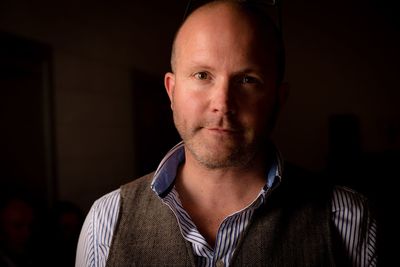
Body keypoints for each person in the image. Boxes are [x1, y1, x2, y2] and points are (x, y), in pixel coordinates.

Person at [76, 0, 377, 266]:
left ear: (278, 98)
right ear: (172, 90)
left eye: (247, 79)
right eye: (202, 75)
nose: (222, 104)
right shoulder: (106, 221)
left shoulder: (348, 220)